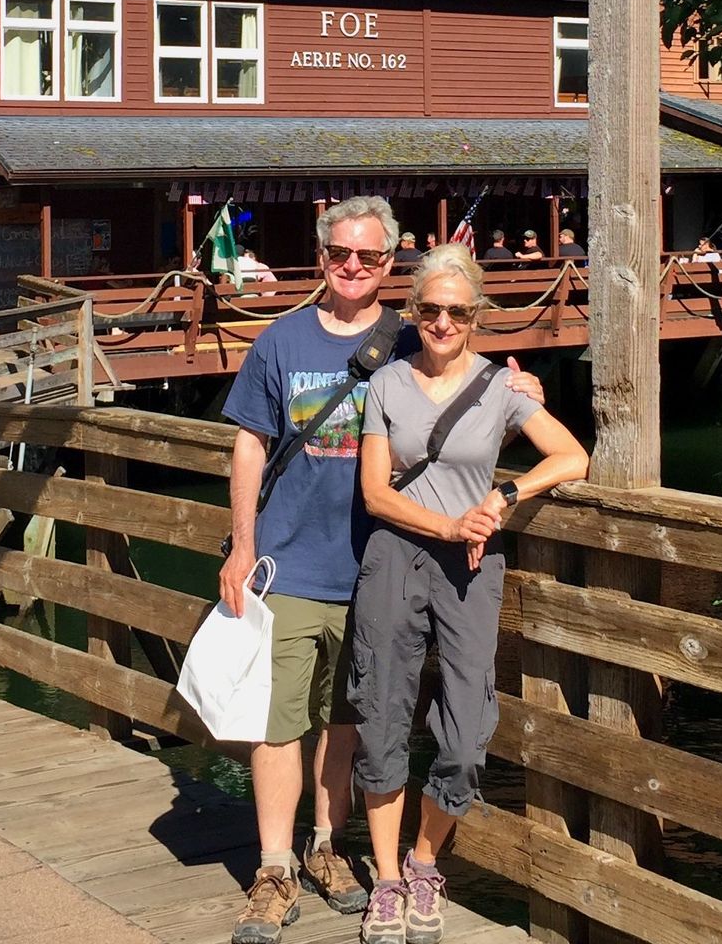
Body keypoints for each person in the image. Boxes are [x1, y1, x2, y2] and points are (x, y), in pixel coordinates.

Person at [219, 200, 547, 944]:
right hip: (289, 560)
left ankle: (328, 846)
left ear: (390, 264)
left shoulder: (410, 334)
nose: (353, 267)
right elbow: (248, 446)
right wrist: (242, 546)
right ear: (321, 255)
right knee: (278, 721)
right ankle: (274, 867)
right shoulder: (280, 340)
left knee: (352, 717)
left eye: (369, 257)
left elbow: (465, 368)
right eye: (340, 253)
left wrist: (524, 392)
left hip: (375, 567)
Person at [349, 245, 589, 943]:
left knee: (466, 730)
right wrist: (449, 524)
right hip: (396, 556)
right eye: (430, 309)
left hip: (472, 568)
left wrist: (505, 494)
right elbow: (374, 493)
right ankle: (387, 881)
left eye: (457, 311)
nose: (443, 323)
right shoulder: (386, 384)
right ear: (413, 311)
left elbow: (572, 457)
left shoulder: (503, 388)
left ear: (476, 316)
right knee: (381, 714)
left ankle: (424, 861)